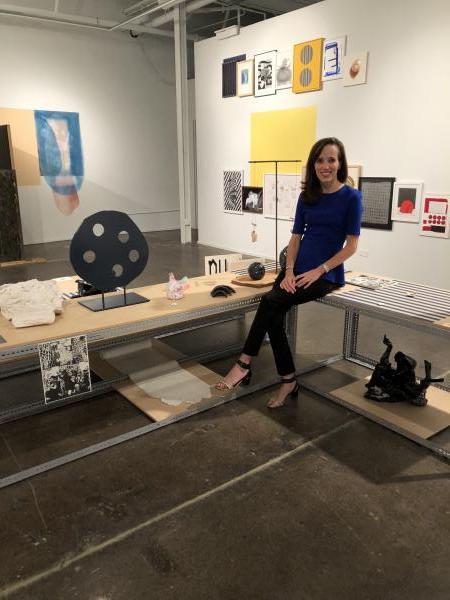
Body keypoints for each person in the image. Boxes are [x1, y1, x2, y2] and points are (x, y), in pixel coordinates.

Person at [216, 137, 363, 408]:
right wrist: (289, 270)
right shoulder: (307, 197)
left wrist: (319, 270)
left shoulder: (351, 198)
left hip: (325, 275)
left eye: (331, 159)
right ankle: (289, 381)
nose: (325, 165)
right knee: (273, 317)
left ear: (340, 163)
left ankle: (244, 363)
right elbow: (295, 238)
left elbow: (351, 246)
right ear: (313, 164)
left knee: (269, 302)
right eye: (320, 160)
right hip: (295, 269)